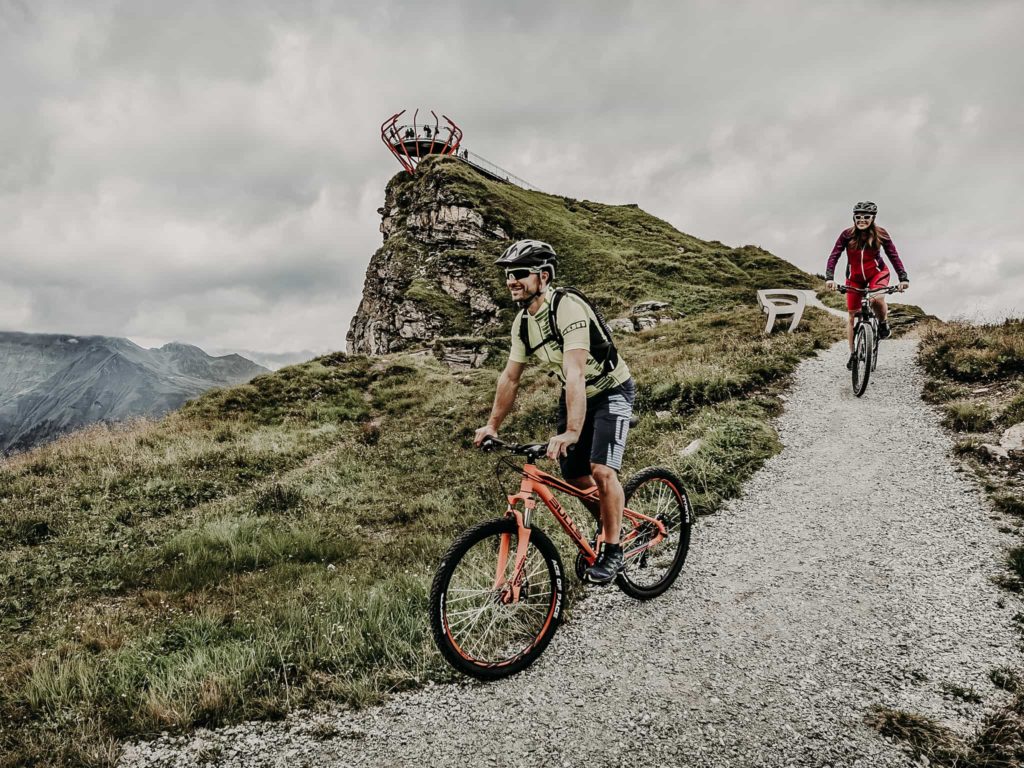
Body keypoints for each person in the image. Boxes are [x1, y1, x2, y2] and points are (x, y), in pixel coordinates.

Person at [474, 240, 636, 585]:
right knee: (575, 477)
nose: (511, 280)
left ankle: (614, 548)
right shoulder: (522, 323)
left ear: (543, 276)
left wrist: (573, 432)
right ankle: (610, 524)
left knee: (602, 471)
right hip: (575, 396)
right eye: (507, 274)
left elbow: (575, 372)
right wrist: (491, 425)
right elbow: (510, 377)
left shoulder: (567, 308)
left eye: (519, 273)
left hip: (610, 390)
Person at [825, 201, 909, 369]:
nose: (862, 220)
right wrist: (830, 278)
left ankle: (883, 323)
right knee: (851, 316)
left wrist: (903, 278)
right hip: (854, 278)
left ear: (873, 218)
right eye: (858, 217)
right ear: (854, 218)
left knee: (877, 299)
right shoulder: (847, 235)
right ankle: (853, 354)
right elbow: (834, 255)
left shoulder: (881, 234)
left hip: (877, 273)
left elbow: (893, 255)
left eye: (866, 217)